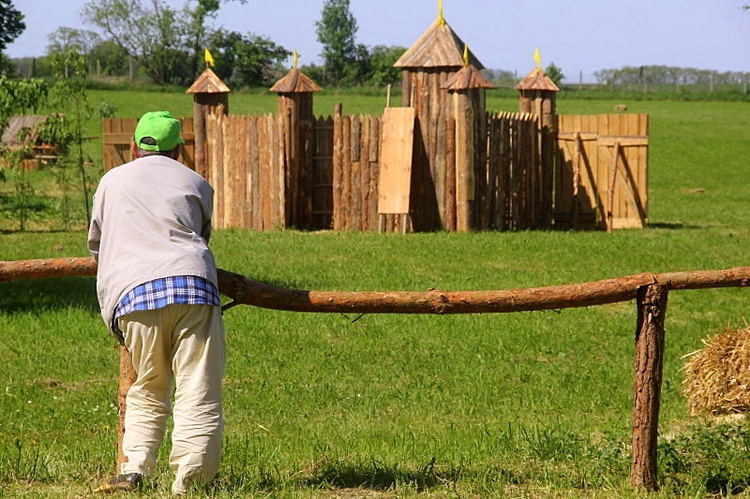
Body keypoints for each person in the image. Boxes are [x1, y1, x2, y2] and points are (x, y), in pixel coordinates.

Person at [88, 111, 226, 495]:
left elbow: (97, 243)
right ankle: (191, 483)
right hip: (193, 287)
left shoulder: (110, 182)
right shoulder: (196, 182)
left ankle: (133, 470)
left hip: (134, 293)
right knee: (198, 387)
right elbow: (201, 234)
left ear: (134, 146)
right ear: (179, 151)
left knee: (148, 384)